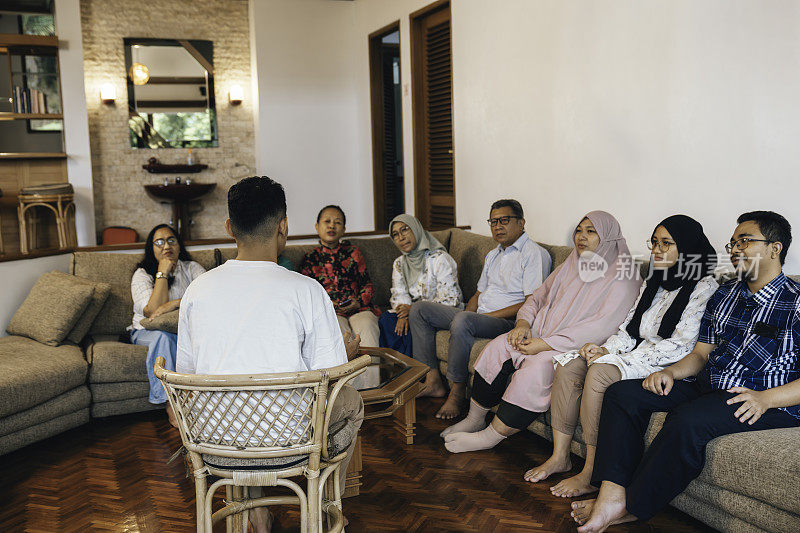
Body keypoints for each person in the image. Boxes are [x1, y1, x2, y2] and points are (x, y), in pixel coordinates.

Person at [572, 211, 800, 533]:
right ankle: (611, 494)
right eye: (732, 243)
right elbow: (700, 354)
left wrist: (765, 398)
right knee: (623, 394)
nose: (735, 249)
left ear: (775, 249)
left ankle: (634, 506)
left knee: (688, 421)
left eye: (745, 241)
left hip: (760, 398)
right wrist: (673, 373)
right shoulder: (725, 295)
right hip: (708, 385)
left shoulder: (795, 302)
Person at [176, 177, 363, 533]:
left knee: (242, 406)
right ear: (284, 227)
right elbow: (333, 376)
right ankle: (324, 504)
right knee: (352, 402)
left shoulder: (196, 291)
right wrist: (348, 354)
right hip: (291, 441)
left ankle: (257, 517)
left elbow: (186, 377)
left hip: (215, 442)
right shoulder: (307, 290)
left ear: (230, 228)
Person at [527, 215, 719, 498]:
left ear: (688, 248)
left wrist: (615, 360)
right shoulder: (654, 280)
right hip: (636, 353)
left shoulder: (705, 287)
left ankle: (592, 471)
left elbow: (682, 346)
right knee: (570, 366)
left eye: (667, 243)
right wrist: (606, 349)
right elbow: (629, 328)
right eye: (654, 243)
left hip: (669, 364)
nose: (657, 250)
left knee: (600, 372)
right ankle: (560, 456)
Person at [441, 211, 642, 453]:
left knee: (537, 370)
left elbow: (600, 327)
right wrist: (523, 324)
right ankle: (475, 418)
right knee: (497, 347)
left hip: (572, 348)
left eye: (591, 231)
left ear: (608, 238)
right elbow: (537, 297)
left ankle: (491, 435)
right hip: (536, 334)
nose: (581, 237)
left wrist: (545, 344)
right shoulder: (572, 263)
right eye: (579, 230)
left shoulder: (624, 277)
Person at [409, 200, 552, 419]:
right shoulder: (493, 254)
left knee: (464, 321)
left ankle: (456, 393)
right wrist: (470, 314)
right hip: (479, 317)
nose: (498, 226)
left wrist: (477, 317)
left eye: (504, 220)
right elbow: (477, 294)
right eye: (493, 222)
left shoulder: (534, 254)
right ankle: (433, 380)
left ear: (521, 223)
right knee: (419, 310)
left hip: (508, 321)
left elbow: (530, 302)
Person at [129, 224, 205, 424]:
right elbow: (151, 310)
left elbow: (208, 296)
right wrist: (162, 272)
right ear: (151, 247)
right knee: (164, 337)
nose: (166, 246)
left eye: (171, 240)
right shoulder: (142, 274)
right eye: (159, 242)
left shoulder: (191, 268)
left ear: (179, 245)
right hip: (145, 332)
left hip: (185, 330)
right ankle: (171, 405)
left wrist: (173, 304)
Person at [379, 214, 463, 357]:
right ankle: (398, 371)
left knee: (413, 323)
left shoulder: (439, 259)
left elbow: (450, 299)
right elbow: (399, 294)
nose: (401, 237)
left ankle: (412, 373)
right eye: (395, 234)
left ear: (416, 229)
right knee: (387, 320)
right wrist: (403, 314)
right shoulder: (399, 263)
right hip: (413, 313)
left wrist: (411, 311)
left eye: (405, 229)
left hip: (442, 313)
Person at [300, 205, 380, 348]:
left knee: (368, 325)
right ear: (317, 227)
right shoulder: (310, 258)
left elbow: (367, 284)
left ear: (343, 229)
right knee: (337, 331)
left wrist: (359, 301)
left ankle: (373, 370)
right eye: (327, 221)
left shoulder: (353, 252)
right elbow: (307, 293)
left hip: (358, 308)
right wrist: (328, 305)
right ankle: (348, 370)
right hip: (330, 311)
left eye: (337, 222)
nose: (332, 226)